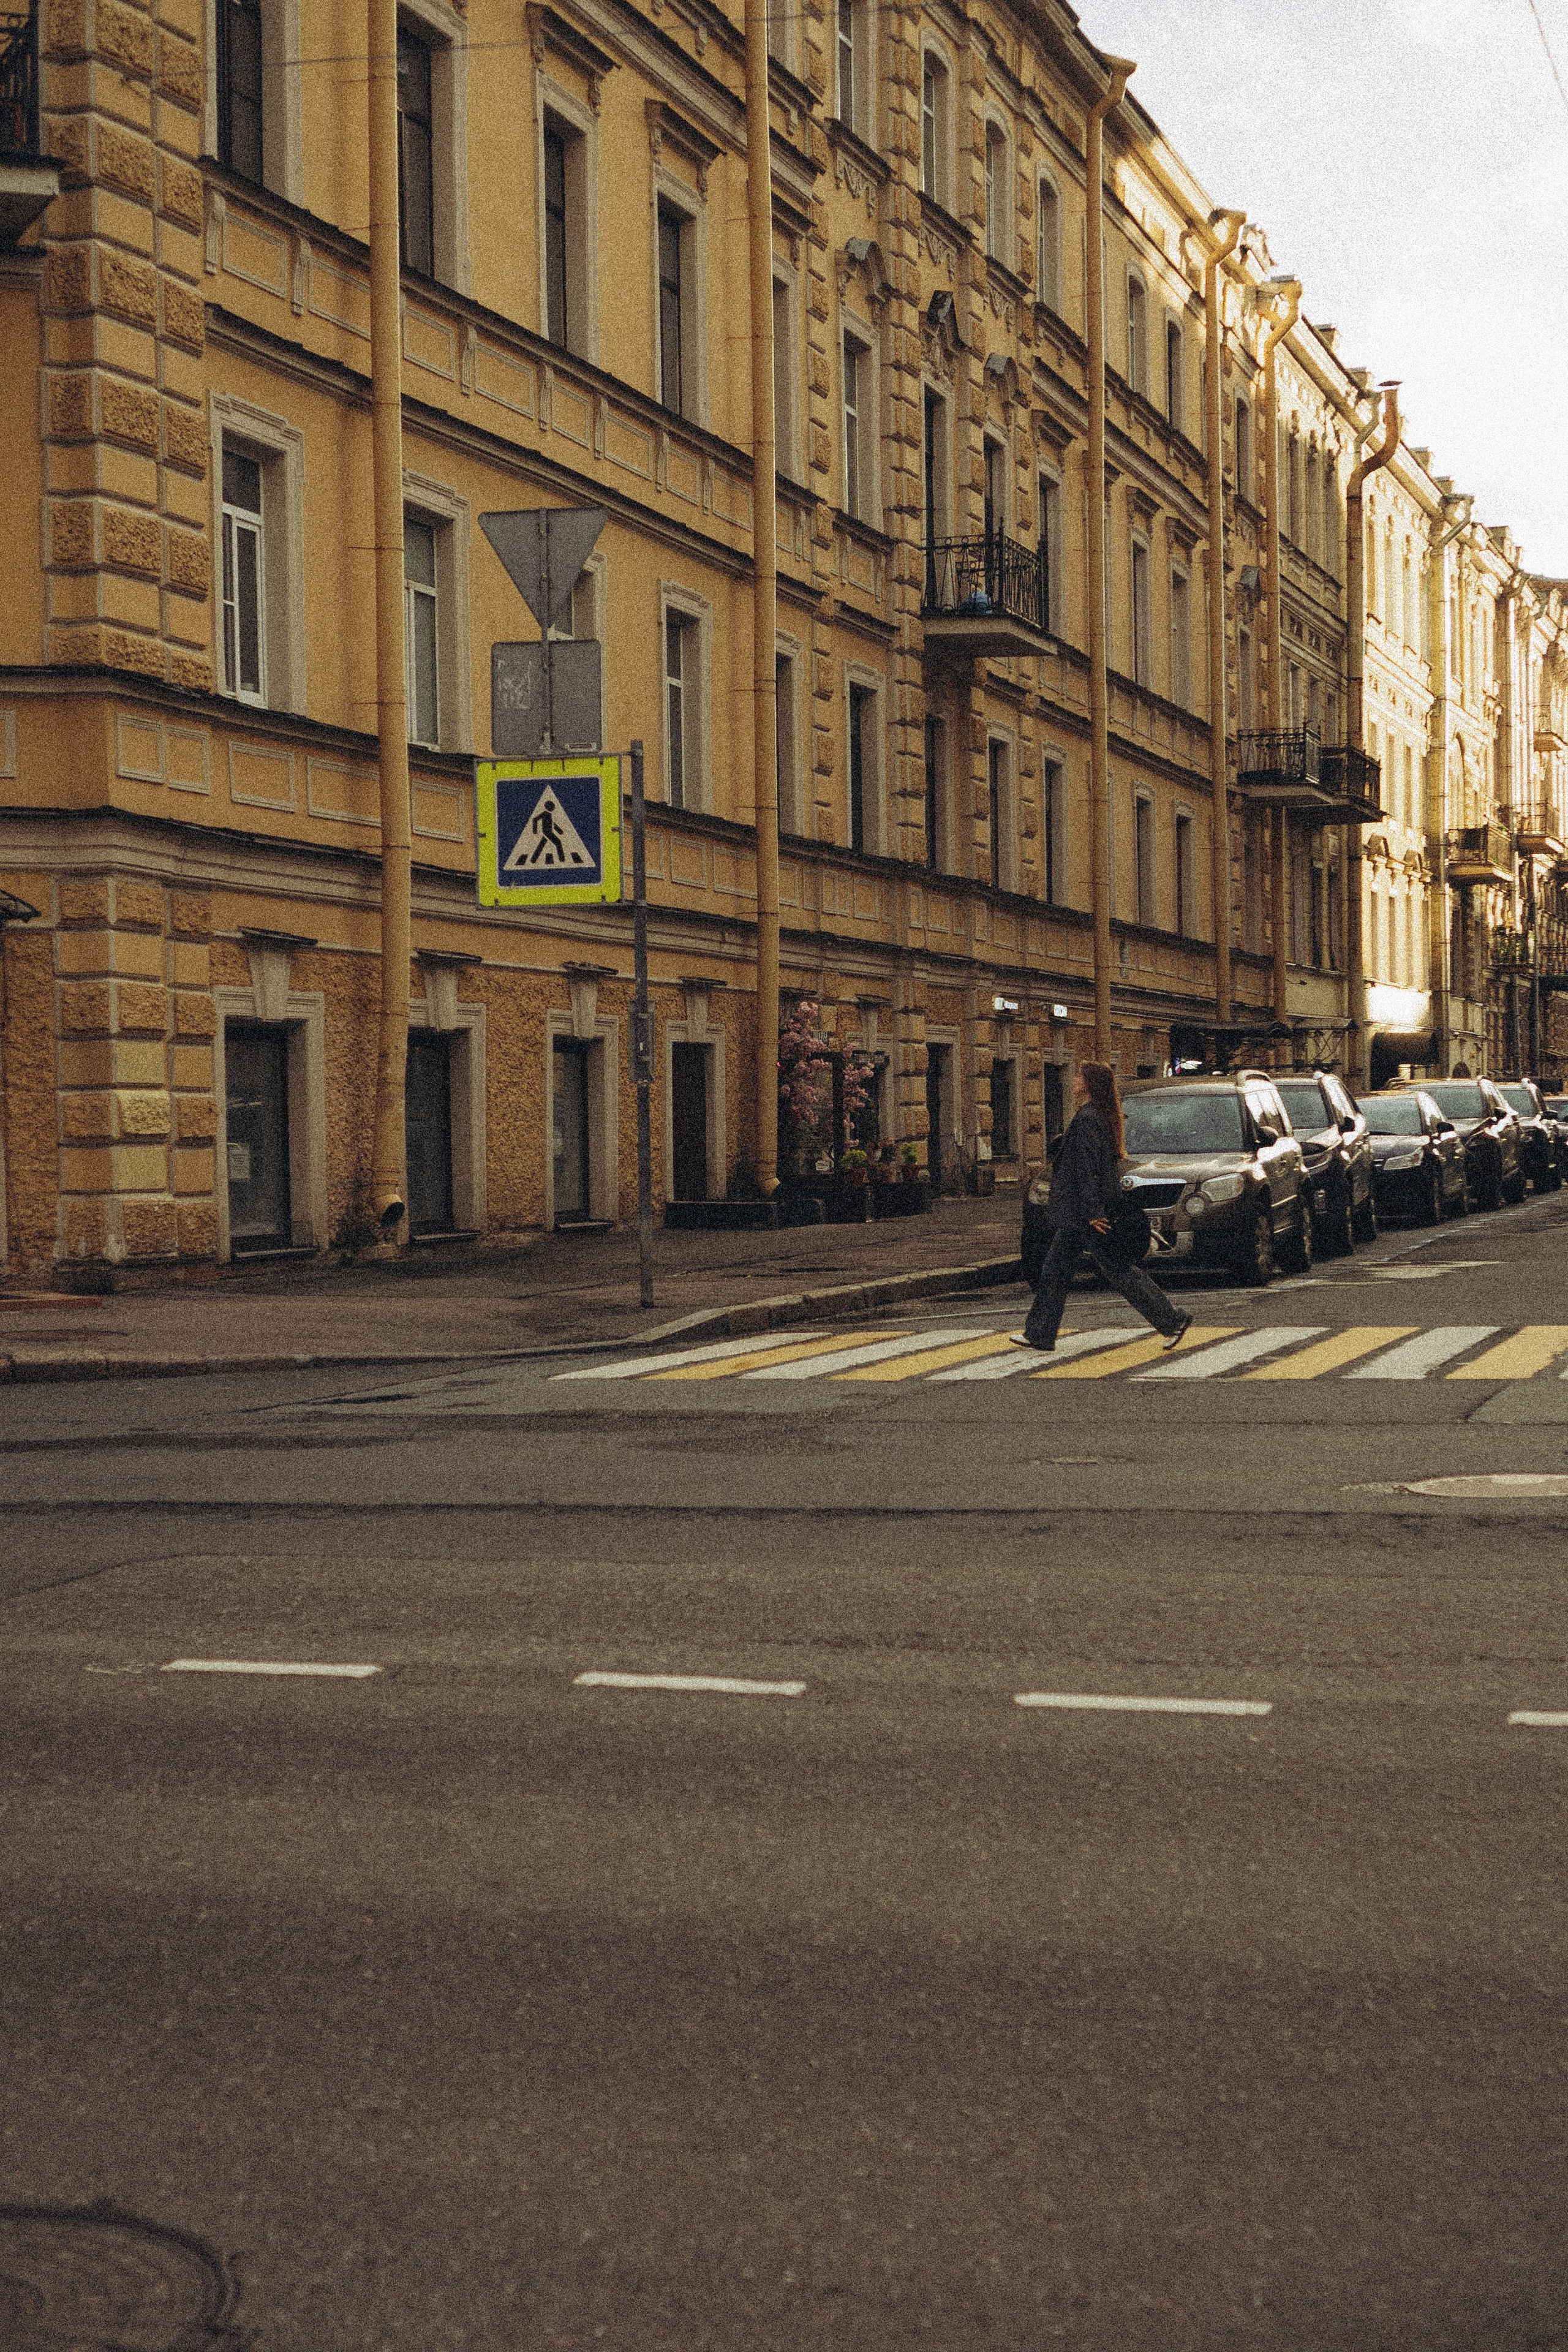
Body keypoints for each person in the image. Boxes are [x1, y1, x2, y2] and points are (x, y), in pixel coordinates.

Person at [1011, 1061, 1191, 1354]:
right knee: (1056, 1270)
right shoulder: (1095, 1115)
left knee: (1116, 1270)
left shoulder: (1089, 1118)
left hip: (1087, 1215)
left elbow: (1088, 1169)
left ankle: (1172, 1320)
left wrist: (1094, 1212)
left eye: (1079, 1075)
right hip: (1084, 1213)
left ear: (1090, 1083)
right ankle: (1040, 1334)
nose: (1074, 1079)